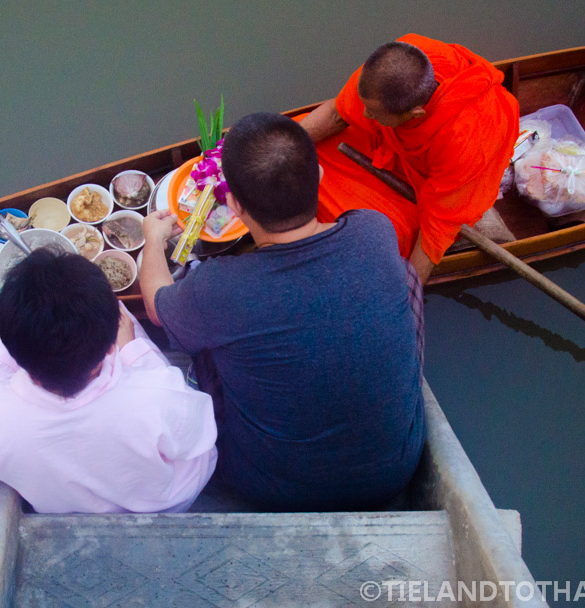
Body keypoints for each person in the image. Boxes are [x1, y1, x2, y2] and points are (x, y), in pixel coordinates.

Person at [140, 112, 425, 511]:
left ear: (234, 205)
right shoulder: (374, 232)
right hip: (393, 472)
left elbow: (156, 304)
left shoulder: (220, 288)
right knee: (407, 275)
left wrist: (152, 240)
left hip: (272, 487)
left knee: (199, 335)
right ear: (320, 176)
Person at [0, 249, 217, 514]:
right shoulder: (157, 395)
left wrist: (0, 353)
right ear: (110, 347)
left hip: (64, 509)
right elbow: (200, 437)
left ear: (13, 353)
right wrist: (134, 350)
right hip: (164, 504)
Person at [298, 34, 519, 282]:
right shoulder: (399, 59)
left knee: (378, 238)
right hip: (387, 146)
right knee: (297, 143)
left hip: (430, 184)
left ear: (417, 113)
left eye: (374, 112)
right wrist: (281, 148)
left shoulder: (467, 138)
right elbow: (338, 113)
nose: (365, 114)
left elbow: (436, 229)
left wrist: (409, 292)